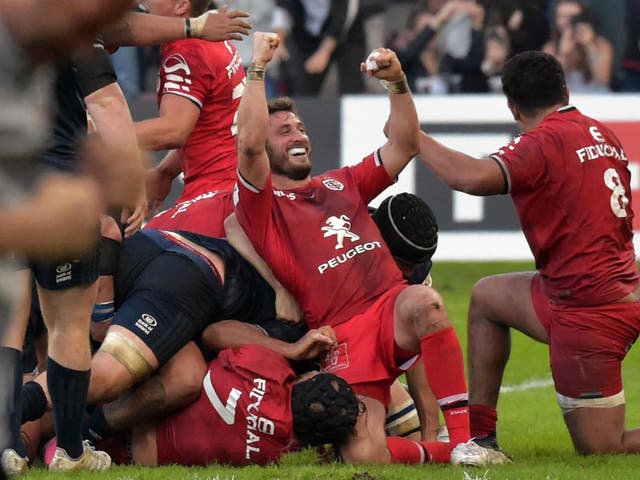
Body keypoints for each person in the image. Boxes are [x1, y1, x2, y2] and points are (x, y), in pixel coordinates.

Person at [232, 32, 470, 465]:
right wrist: (258, 68)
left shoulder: (343, 181)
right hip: (342, 335)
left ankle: (468, 440)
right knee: (364, 454)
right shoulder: (263, 209)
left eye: (300, 127)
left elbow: (404, 144)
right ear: (267, 148)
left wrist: (397, 82)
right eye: (283, 131)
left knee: (426, 302)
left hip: (391, 308)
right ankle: (445, 453)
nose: (297, 134)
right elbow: (246, 144)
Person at [417, 50, 640, 465]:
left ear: (512, 106)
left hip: (588, 313)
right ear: (565, 89)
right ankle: (482, 439)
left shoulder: (540, 143)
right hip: (600, 291)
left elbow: (469, 177)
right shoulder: (600, 132)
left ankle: (483, 437)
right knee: (486, 297)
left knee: (602, 447)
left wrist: (415, 139)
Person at [139, 0, 247, 213]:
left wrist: (99, 136)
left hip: (215, 197)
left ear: (181, 6)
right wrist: (166, 171)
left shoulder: (187, 51)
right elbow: (212, 126)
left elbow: (174, 130)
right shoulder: (213, 36)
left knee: (142, 243)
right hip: (238, 188)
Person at [543, 0, 613, 92]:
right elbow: (551, 85)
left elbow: (603, 80)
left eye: (572, 17)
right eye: (561, 16)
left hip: (597, 99)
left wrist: (590, 46)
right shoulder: (550, 48)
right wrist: (563, 54)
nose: (567, 21)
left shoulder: (601, 44)